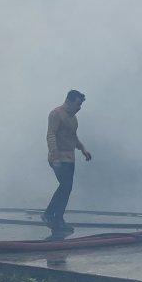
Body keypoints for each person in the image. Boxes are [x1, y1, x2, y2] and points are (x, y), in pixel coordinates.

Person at [44, 90, 91, 236]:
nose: (79, 107)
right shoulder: (56, 114)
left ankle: (58, 219)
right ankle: (49, 214)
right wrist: (55, 156)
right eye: (78, 104)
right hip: (59, 158)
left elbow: (73, 137)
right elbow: (50, 135)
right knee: (65, 186)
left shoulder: (73, 118)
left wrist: (83, 148)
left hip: (70, 158)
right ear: (69, 101)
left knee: (67, 188)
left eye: (81, 104)